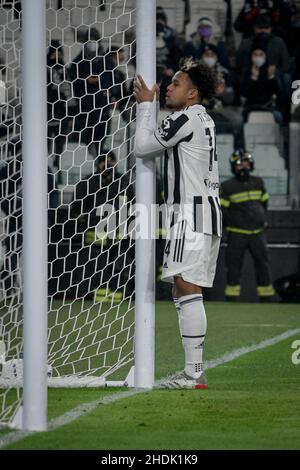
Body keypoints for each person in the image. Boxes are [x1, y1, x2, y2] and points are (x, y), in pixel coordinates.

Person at [133, 58, 221, 389]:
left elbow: (142, 147)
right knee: (182, 287)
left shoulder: (185, 118)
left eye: (177, 83)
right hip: (205, 212)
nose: (169, 86)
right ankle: (194, 372)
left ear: (192, 93)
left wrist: (146, 107)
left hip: (190, 214)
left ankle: (194, 374)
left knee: (185, 285)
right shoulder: (205, 119)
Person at [71, 152, 134, 302]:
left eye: (112, 161)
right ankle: (99, 296)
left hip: (118, 236)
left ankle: (117, 295)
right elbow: (76, 207)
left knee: (118, 267)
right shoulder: (89, 182)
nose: (108, 164)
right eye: (104, 161)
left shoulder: (123, 181)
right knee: (97, 268)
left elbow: (131, 204)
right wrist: (87, 222)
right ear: (97, 164)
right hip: (96, 237)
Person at [220, 149, 275, 302]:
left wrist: (262, 221)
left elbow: (264, 204)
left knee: (263, 265)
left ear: (251, 164)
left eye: (245, 162)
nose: (243, 166)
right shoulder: (227, 186)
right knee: (233, 268)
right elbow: (222, 211)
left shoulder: (259, 182)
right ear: (233, 166)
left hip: (258, 233)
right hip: (236, 234)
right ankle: (231, 298)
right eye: (239, 163)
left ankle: (267, 298)